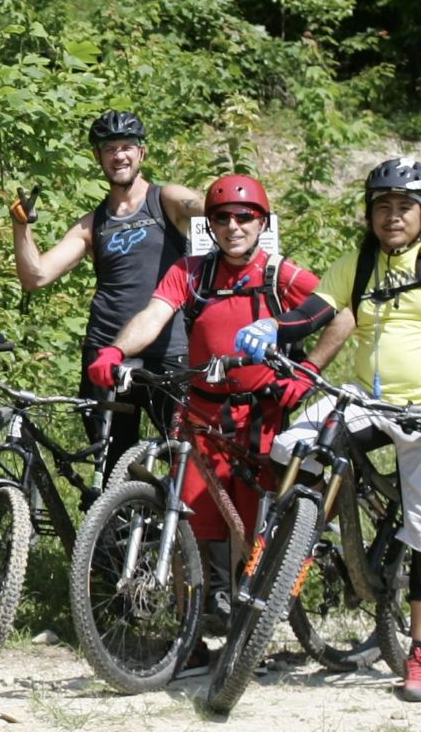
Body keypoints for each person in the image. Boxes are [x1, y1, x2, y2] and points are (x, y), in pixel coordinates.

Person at [269, 158, 421, 703]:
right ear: (370, 213)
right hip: (366, 401)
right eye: (382, 207)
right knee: (293, 445)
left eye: (405, 207)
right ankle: (307, 539)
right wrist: (269, 328)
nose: (393, 217)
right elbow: (310, 316)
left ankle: (420, 656)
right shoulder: (360, 263)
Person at [88, 174, 333, 672]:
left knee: (252, 530)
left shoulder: (279, 273)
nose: (233, 226)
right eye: (222, 217)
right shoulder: (192, 271)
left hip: (259, 413)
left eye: (245, 217)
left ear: (262, 222)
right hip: (198, 412)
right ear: (211, 224)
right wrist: (115, 349)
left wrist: (308, 372)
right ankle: (192, 638)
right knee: (189, 528)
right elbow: (155, 315)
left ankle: (249, 638)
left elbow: (339, 314)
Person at [10, 110, 202, 472]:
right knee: (112, 466)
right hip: (105, 356)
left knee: (184, 462)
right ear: (98, 157)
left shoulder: (167, 201)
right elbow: (35, 276)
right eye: (109, 148)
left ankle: (173, 527)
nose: (119, 155)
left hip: (169, 352)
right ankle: (121, 525)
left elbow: (206, 208)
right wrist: (22, 226)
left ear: (141, 153)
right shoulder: (92, 224)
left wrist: (233, 205)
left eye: (127, 146)